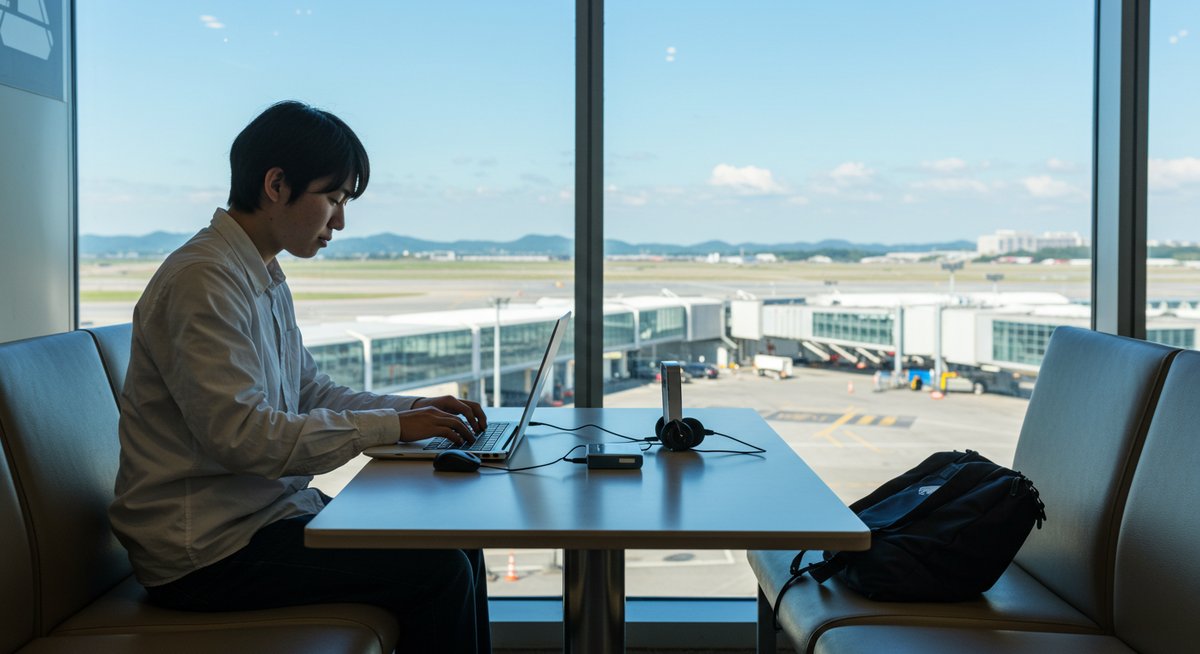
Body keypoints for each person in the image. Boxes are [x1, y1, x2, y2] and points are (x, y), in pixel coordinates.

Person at [109, 100, 492, 653]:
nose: (340, 221)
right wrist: (391, 427)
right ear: (276, 185)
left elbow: (309, 391)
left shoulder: (259, 272)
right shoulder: (203, 280)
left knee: (457, 544)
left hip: (262, 521)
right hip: (208, 553)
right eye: (333, 199)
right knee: (441, 572)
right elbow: (243, 436)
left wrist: (411, 410)